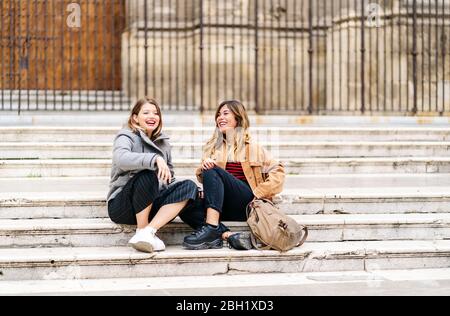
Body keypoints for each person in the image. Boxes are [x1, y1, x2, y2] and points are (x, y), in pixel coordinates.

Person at [183, 100, 285, 250]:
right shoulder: (213, 147)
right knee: (185, 202)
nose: (220, 117)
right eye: (218, 114)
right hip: (221, 206)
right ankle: (228, 235)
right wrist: (202, 168)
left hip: (246, 204)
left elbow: (279, 173)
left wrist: (259, 192)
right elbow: (206, 177)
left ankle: (211, 227)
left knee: (212, 169)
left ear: (238, 118)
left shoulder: (253, 148)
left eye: (225, 113)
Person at [107, 97, 200, 253]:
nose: (152, 116)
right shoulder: (126, 136)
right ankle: (141, 230)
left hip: (152, 203)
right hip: (124, 206)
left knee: (189, 186)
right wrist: (154, 159)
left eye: (155, 113)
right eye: (146, 112)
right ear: (135, 118)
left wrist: (185, 191)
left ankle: (148, 232)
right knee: (147, 174)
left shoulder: (164, 143)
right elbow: (121, 159)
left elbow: (169, 178)